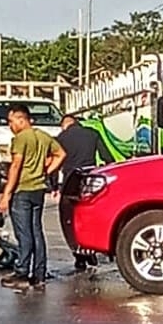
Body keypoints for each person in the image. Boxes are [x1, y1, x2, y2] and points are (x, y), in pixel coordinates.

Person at [0, 103, 65, 290]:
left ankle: (21, 272)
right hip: (38, 189)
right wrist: (45, 172)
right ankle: (39, 273)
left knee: (24, 233)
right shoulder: (43, 136)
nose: (10, 126)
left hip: (23, 189)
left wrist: (6, 194)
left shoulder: (21, 139)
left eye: (11, 121)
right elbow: (61, 154)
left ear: (21, 119)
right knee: (36, 231)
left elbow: (16, 166)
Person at [55, 114, 115, 270]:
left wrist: (53, 186)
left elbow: (55, 162)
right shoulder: (92, 134)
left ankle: (79, 255)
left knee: (70, 220)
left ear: (64, 125)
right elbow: (107, 157)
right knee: (88, 217)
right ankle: (91, 249)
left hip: (70, 181)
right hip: (89, 179)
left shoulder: (61, 138)